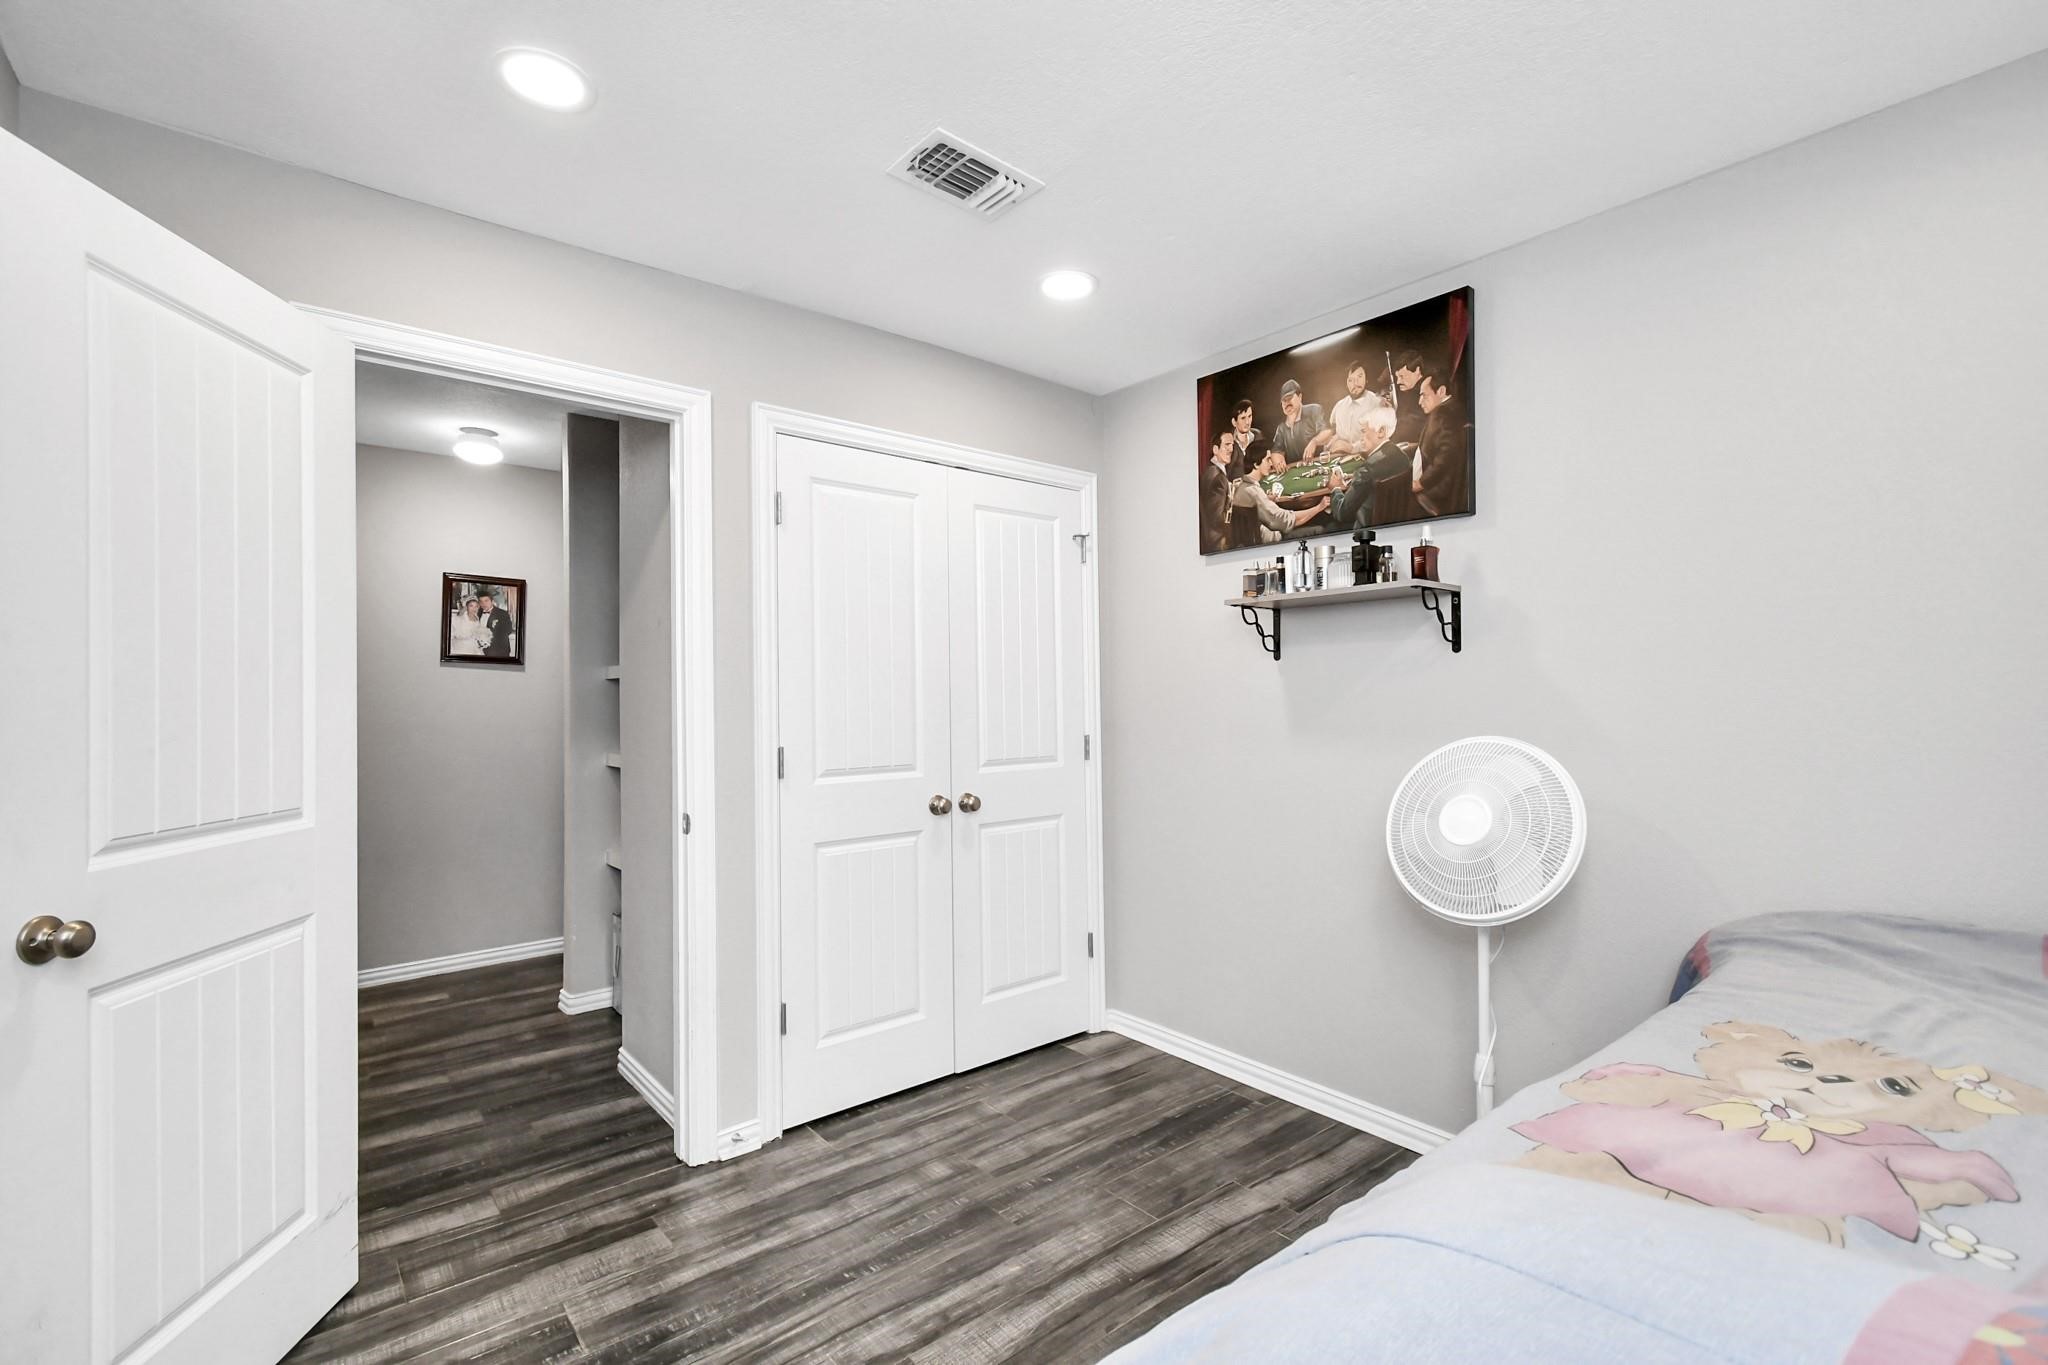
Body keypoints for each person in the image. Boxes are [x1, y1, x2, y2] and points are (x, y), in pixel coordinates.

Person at [1230, 442, 1330, 546]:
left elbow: (1255, 506)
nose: (1271, 464)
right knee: (1319, 528)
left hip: (1252, 539)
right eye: (1268, 460)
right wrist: (1319, 507)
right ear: (1256, 464)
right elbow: (1286, 521)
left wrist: (1266, 500)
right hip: (1272, 541)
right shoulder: (1254, 492)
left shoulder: (1241, 486)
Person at [1327, 406, 1408, 528]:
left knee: (1327, 525)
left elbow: (1342, 513)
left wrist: (1335, 489)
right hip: (1397, 524)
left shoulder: (1366, 470)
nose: (1361, 438)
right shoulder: (1403, 457)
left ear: (1381, 431)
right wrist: (1355, 478)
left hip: (1366, 530)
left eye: (1364, 431)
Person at [1412, 365, 1471, 517]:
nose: (1420, 401)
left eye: (1424, 395)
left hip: (1436, 493)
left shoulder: (1441, 413)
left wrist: (1421, 483)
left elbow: (1447, 454)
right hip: (1454, 491)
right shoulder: (1456, 408)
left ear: (1441, 391)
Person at [1322, 362, 1384, 457]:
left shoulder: (1377, 403)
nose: (1355, 383)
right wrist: (1329, 444)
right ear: (1346, 383)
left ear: (1366, 379)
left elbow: (1380, 438)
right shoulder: (1339, 406)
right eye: (1350, 380)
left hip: (1369, 458)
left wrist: (1351, 448)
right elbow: (1335, 433)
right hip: (1341, 459)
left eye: (1359, 377)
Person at [1268, 379, 1327, 467]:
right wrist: (1278, 461)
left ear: (1300, 397)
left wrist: (1314, 442)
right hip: (1295, 469)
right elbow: (1276, 451)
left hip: (1320, 464)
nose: (1287, 403)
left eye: (1289, 398)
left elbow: (1327, 432)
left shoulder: (1314, 410)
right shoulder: (1281, 428)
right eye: (1284, 400)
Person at [1199, 430, 1235, 553]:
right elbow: (1216, 517)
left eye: (1232, 445)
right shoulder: (1218, 477)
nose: (1231, 449)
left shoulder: (1210, 471)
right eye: (1227, 445)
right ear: (1215, 449)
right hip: (1218, 542)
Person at [1387, 348, 1430, 445]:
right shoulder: (1409, 392)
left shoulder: (1422, 394)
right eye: (1397, 377)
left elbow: (1408, 425)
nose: (1398, 382)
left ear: (1417, 370)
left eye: (1402, 376)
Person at [477, 589, 517, 659]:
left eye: (486, 601)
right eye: (481, 601)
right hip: (482, 650)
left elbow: (508, 630)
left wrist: (490, 638)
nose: (483, 604)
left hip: (499, 650)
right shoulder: (478, 613)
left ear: (492, 601)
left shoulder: (502, 613)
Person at [1226, 399, 1261, 478]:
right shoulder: (1228, 443)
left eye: (1249, 416)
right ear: (1234, 422)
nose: (1247, 422)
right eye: (1243, 418)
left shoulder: (1257, 435)